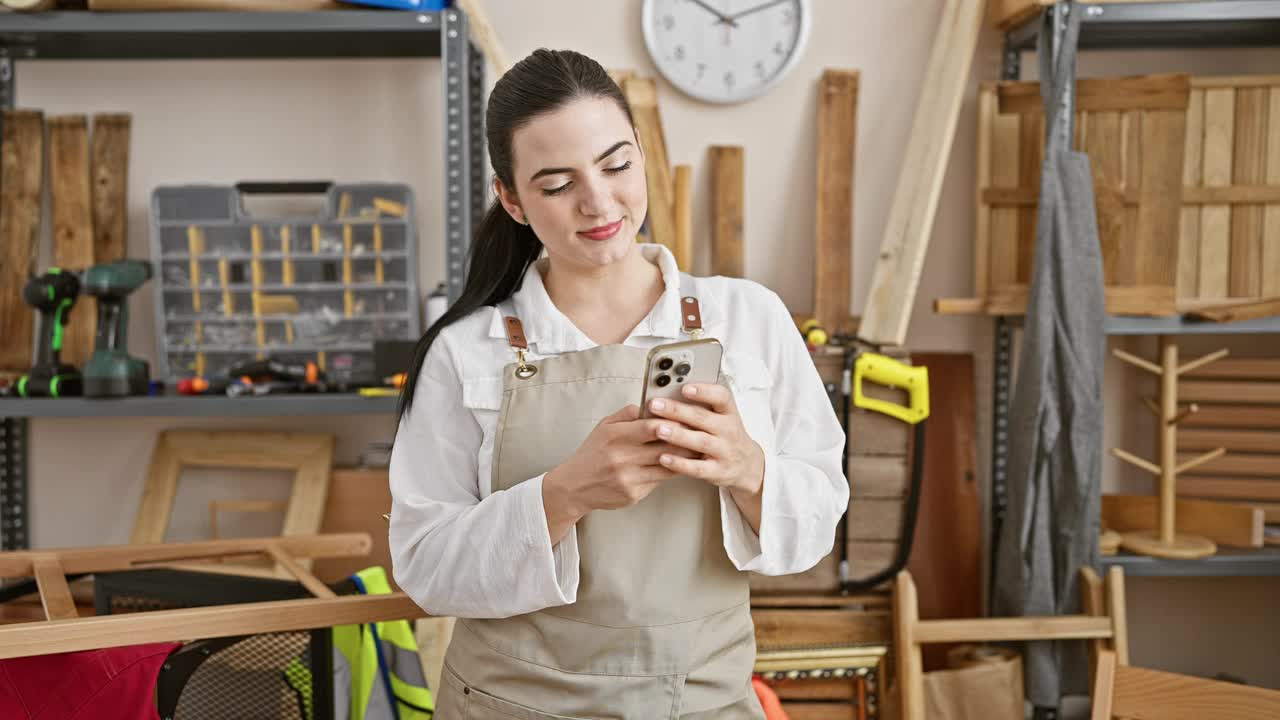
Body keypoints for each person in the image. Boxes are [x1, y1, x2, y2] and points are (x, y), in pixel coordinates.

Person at [389, 48, 848, 719]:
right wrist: (563, 494)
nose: (598, 202)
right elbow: (425, 567)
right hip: (509, 705)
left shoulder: (747, 318)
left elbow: (817, 520)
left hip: (701, 702)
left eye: (616, 164)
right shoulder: (464, 353)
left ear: (640, 152)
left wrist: (750, 472)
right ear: (511, 199)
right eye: (555, 184)